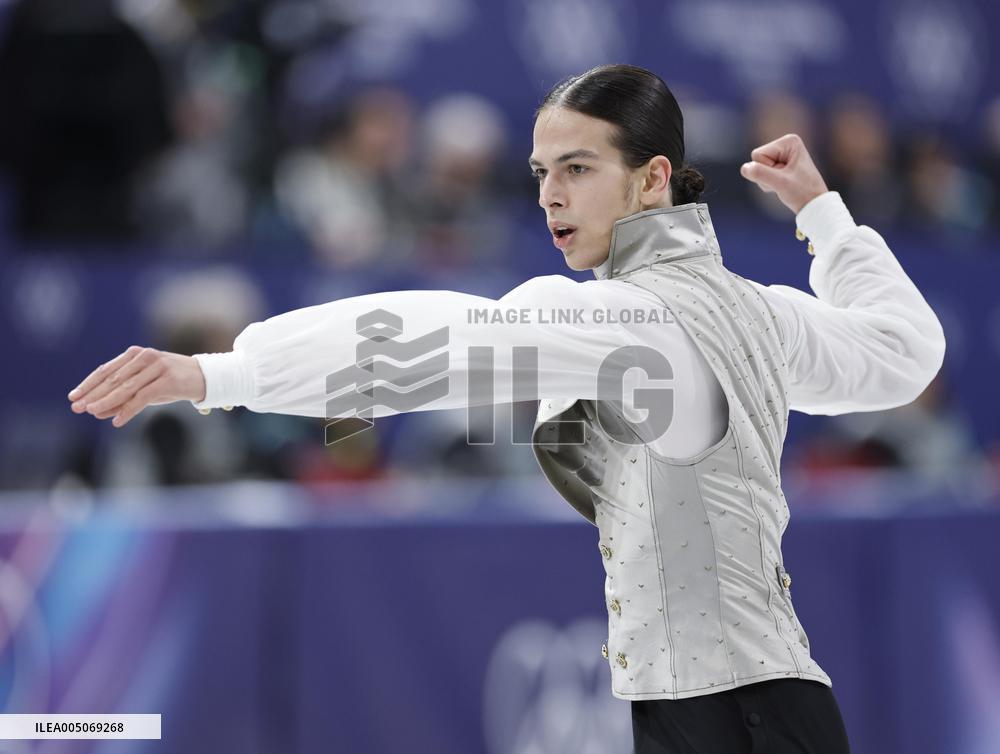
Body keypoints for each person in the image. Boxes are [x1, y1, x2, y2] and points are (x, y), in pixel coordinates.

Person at [66, 65, 946, 753]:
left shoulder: (620, 314)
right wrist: (823, 215)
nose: (548, 194)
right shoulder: (759, 309)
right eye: (539, 172)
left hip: (727, 718)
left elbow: (429, 342)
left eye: (577, 168)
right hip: (761, 702)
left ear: (654, 179)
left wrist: (224, 374)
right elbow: (903, 355)